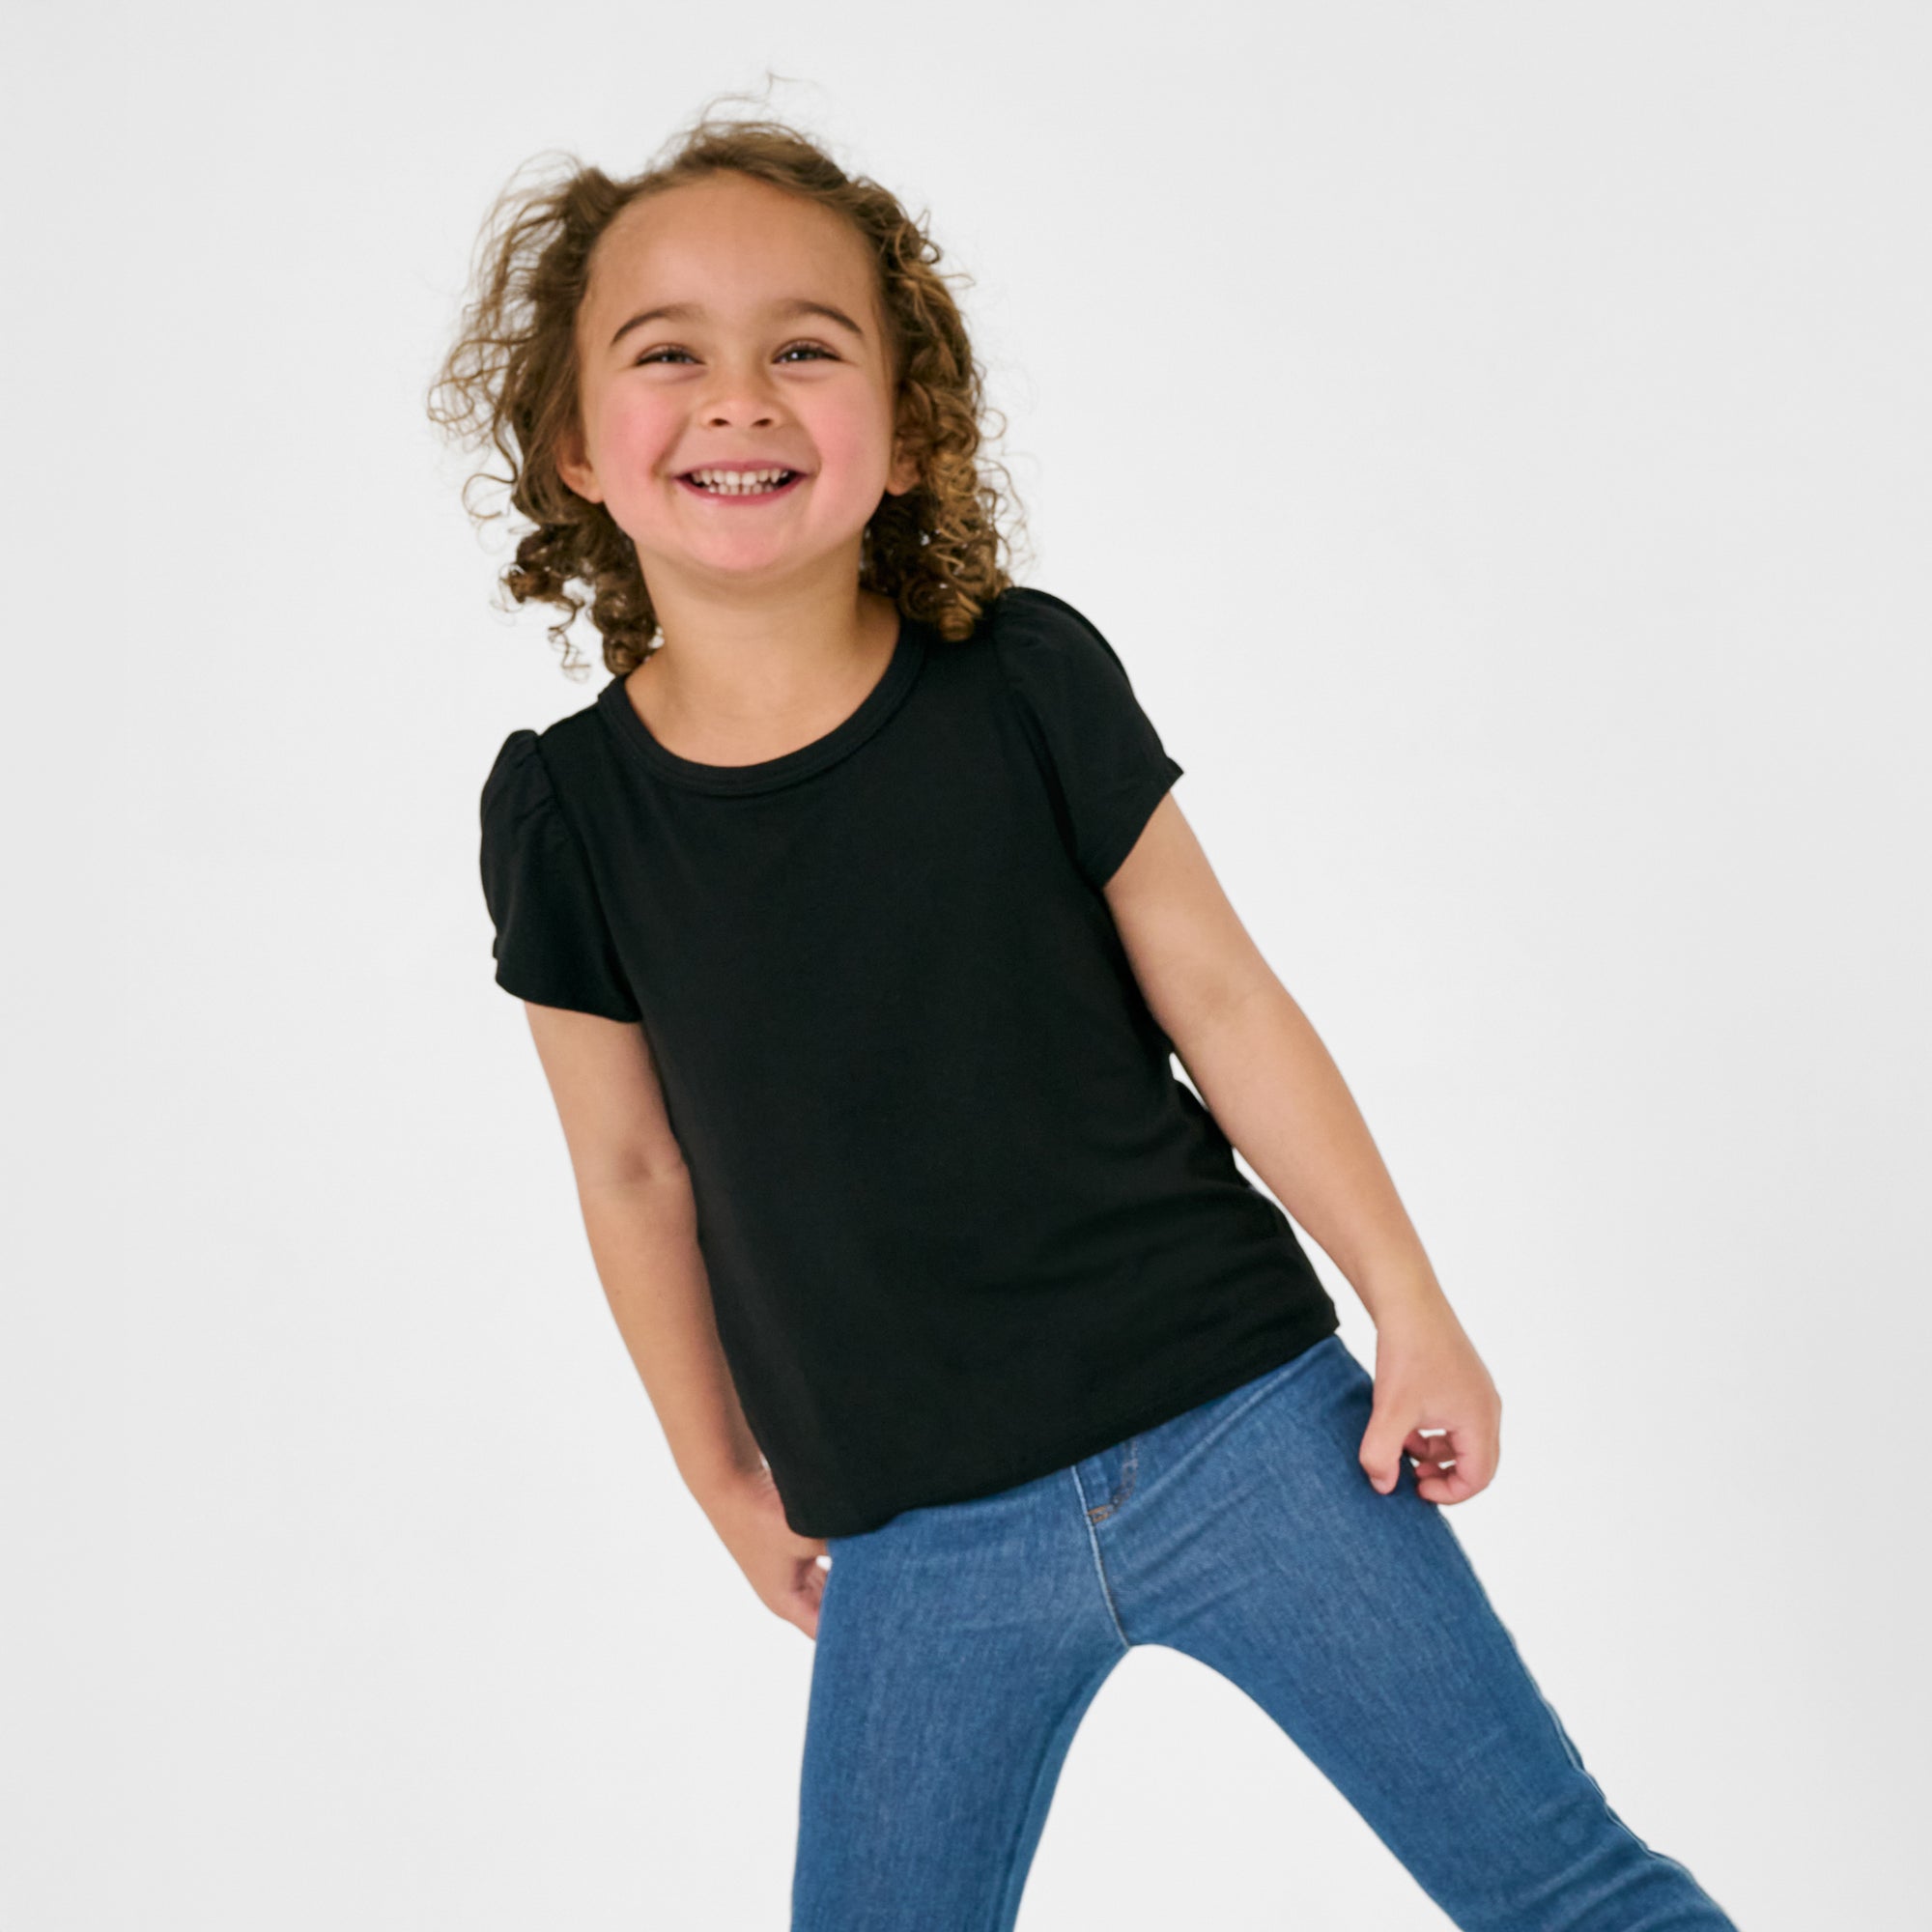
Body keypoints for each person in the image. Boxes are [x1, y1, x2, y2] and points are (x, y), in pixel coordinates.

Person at [429, 103, 1741, 1932]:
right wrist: (721, 1477)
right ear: (577, 443)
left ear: (903, 431)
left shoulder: (1021, 678)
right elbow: (630, 1168)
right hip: (916, 1534)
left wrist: (1413, 1306)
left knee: (1566, 1889)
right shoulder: (570, 814)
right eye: (672, 356)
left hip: (1249, 1425)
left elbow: (1221, 994)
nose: (740, 398)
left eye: (806, 348)